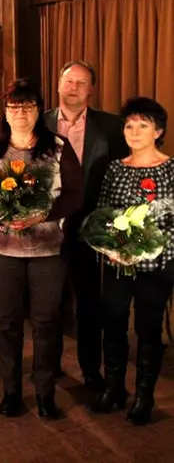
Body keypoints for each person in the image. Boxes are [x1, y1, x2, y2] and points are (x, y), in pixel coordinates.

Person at [0, 79, 83, 418]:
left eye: (28, 106)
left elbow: (75, 195)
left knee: (47, 322)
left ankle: (46, 393)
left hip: (48, 250)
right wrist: (1, 213)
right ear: (5, 112)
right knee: (8, 323)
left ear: (38, 110)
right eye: (14, 107)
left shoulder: (58, 148)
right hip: (3, 252)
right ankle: (11, 392)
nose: (20, 113)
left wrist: (44, 213)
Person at [88, 97, 173, 426]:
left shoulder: (171, 169)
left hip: (158, 265)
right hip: (117, 263)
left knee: (148, 329)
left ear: (158, 130)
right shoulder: (114, 168)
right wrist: (109, 247)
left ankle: (144, 397)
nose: (134, 132)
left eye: (143, 125)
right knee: (113, 323)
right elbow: (102, 215)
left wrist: (150, 248)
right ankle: (113, 390)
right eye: (129, 125)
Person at [45, 60, 127, 390]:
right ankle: (49, 366)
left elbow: (122, 176)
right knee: (48, 303)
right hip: (47, 226)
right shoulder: (40, 121)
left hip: (91, 229)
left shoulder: (111, 126)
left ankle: (91, 369)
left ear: (91, 89)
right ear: (59, 85)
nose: (74, 87)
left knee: (89, 304)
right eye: (69, 81)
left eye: (81, 82)